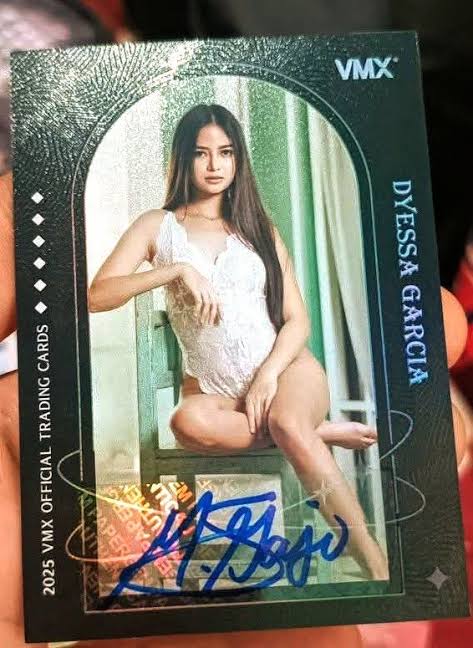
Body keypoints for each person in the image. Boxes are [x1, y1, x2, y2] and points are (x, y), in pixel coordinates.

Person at [89, 103, 388, 581]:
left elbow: (297, 321)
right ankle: (318, 432)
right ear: (183, 158)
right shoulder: (156, 227)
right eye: (202, 153)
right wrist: (176, 271)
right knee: (184, 421)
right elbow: (98, 295)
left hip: (288, 373)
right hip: (217, 396)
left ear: (237, 159)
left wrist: (269, 374)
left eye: (225, 152)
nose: (214, 165)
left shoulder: (259, 229)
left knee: (287, 418)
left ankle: (370, 558)